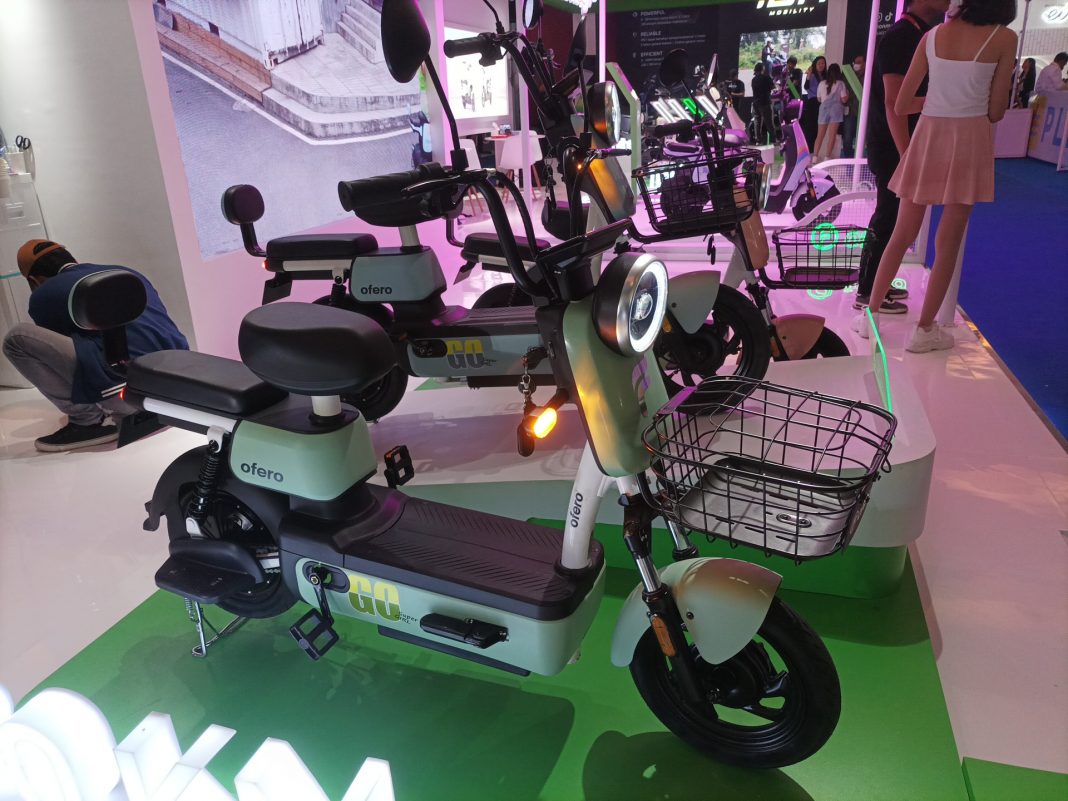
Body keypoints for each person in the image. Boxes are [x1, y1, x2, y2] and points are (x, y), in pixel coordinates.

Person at [853, 0, 1017, 353]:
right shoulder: (1004, 38)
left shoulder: (931, 36)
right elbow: (996, 111)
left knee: (901, 233)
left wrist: (937, 100)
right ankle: (924, 330)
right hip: (969, 141)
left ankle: (871, 315)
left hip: (927, 138)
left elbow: (900, 104)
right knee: (947, 243)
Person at [2, 240, 189, 451]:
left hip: (131, 396)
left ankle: (86, 422)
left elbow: (56, 354)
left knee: (16, 339)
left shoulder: (43, 295)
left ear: (34, 281)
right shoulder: (124, 271)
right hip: (178, 382)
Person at [854, 0, 951, 315]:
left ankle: (876, 285)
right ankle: (869, 290)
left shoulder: (917, 34)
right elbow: (894, 102)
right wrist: (906, 153)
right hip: (893, 146)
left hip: (899, 145)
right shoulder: (902, 36)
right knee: (889, 217)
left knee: (893, 217)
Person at [814, 63, 850, 160]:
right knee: (832, 135)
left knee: (820, 135)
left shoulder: (822, 83)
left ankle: (815, 157)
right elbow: (844, 100)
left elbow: (819, 99)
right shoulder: (841, 84)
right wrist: (848, 94)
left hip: (823, 110)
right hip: (836, 110)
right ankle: (827, 157)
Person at [801, 56, 828, 149]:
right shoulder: (812, 75)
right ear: (815, 65)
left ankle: (816, 149)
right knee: (811, 127)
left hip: (822, 103)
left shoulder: (825, 76)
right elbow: (806, 87)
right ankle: (809, 149)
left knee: (818, 127)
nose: (821, 65)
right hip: (813, 102)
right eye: (819, 63)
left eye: (823, 63)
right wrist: (808, 75)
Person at [842, 55, 865, 157]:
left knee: (863, 137)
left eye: (859, 62)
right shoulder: (849, 76)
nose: (856, 64)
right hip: (850, 111)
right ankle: (849, 160)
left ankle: (861, 159)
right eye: (855, 62)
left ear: (865, 63)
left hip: (863, 112)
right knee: (847, 138)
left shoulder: (868, 77)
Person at [751, 62, 776, 144]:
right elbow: (773, 87)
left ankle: (758, 141)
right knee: (769, 122)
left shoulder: (753, 79)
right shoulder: (766, 77)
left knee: (757, 122)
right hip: (765, 102)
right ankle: (773, 140)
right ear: (762, 69)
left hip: (755, 103)